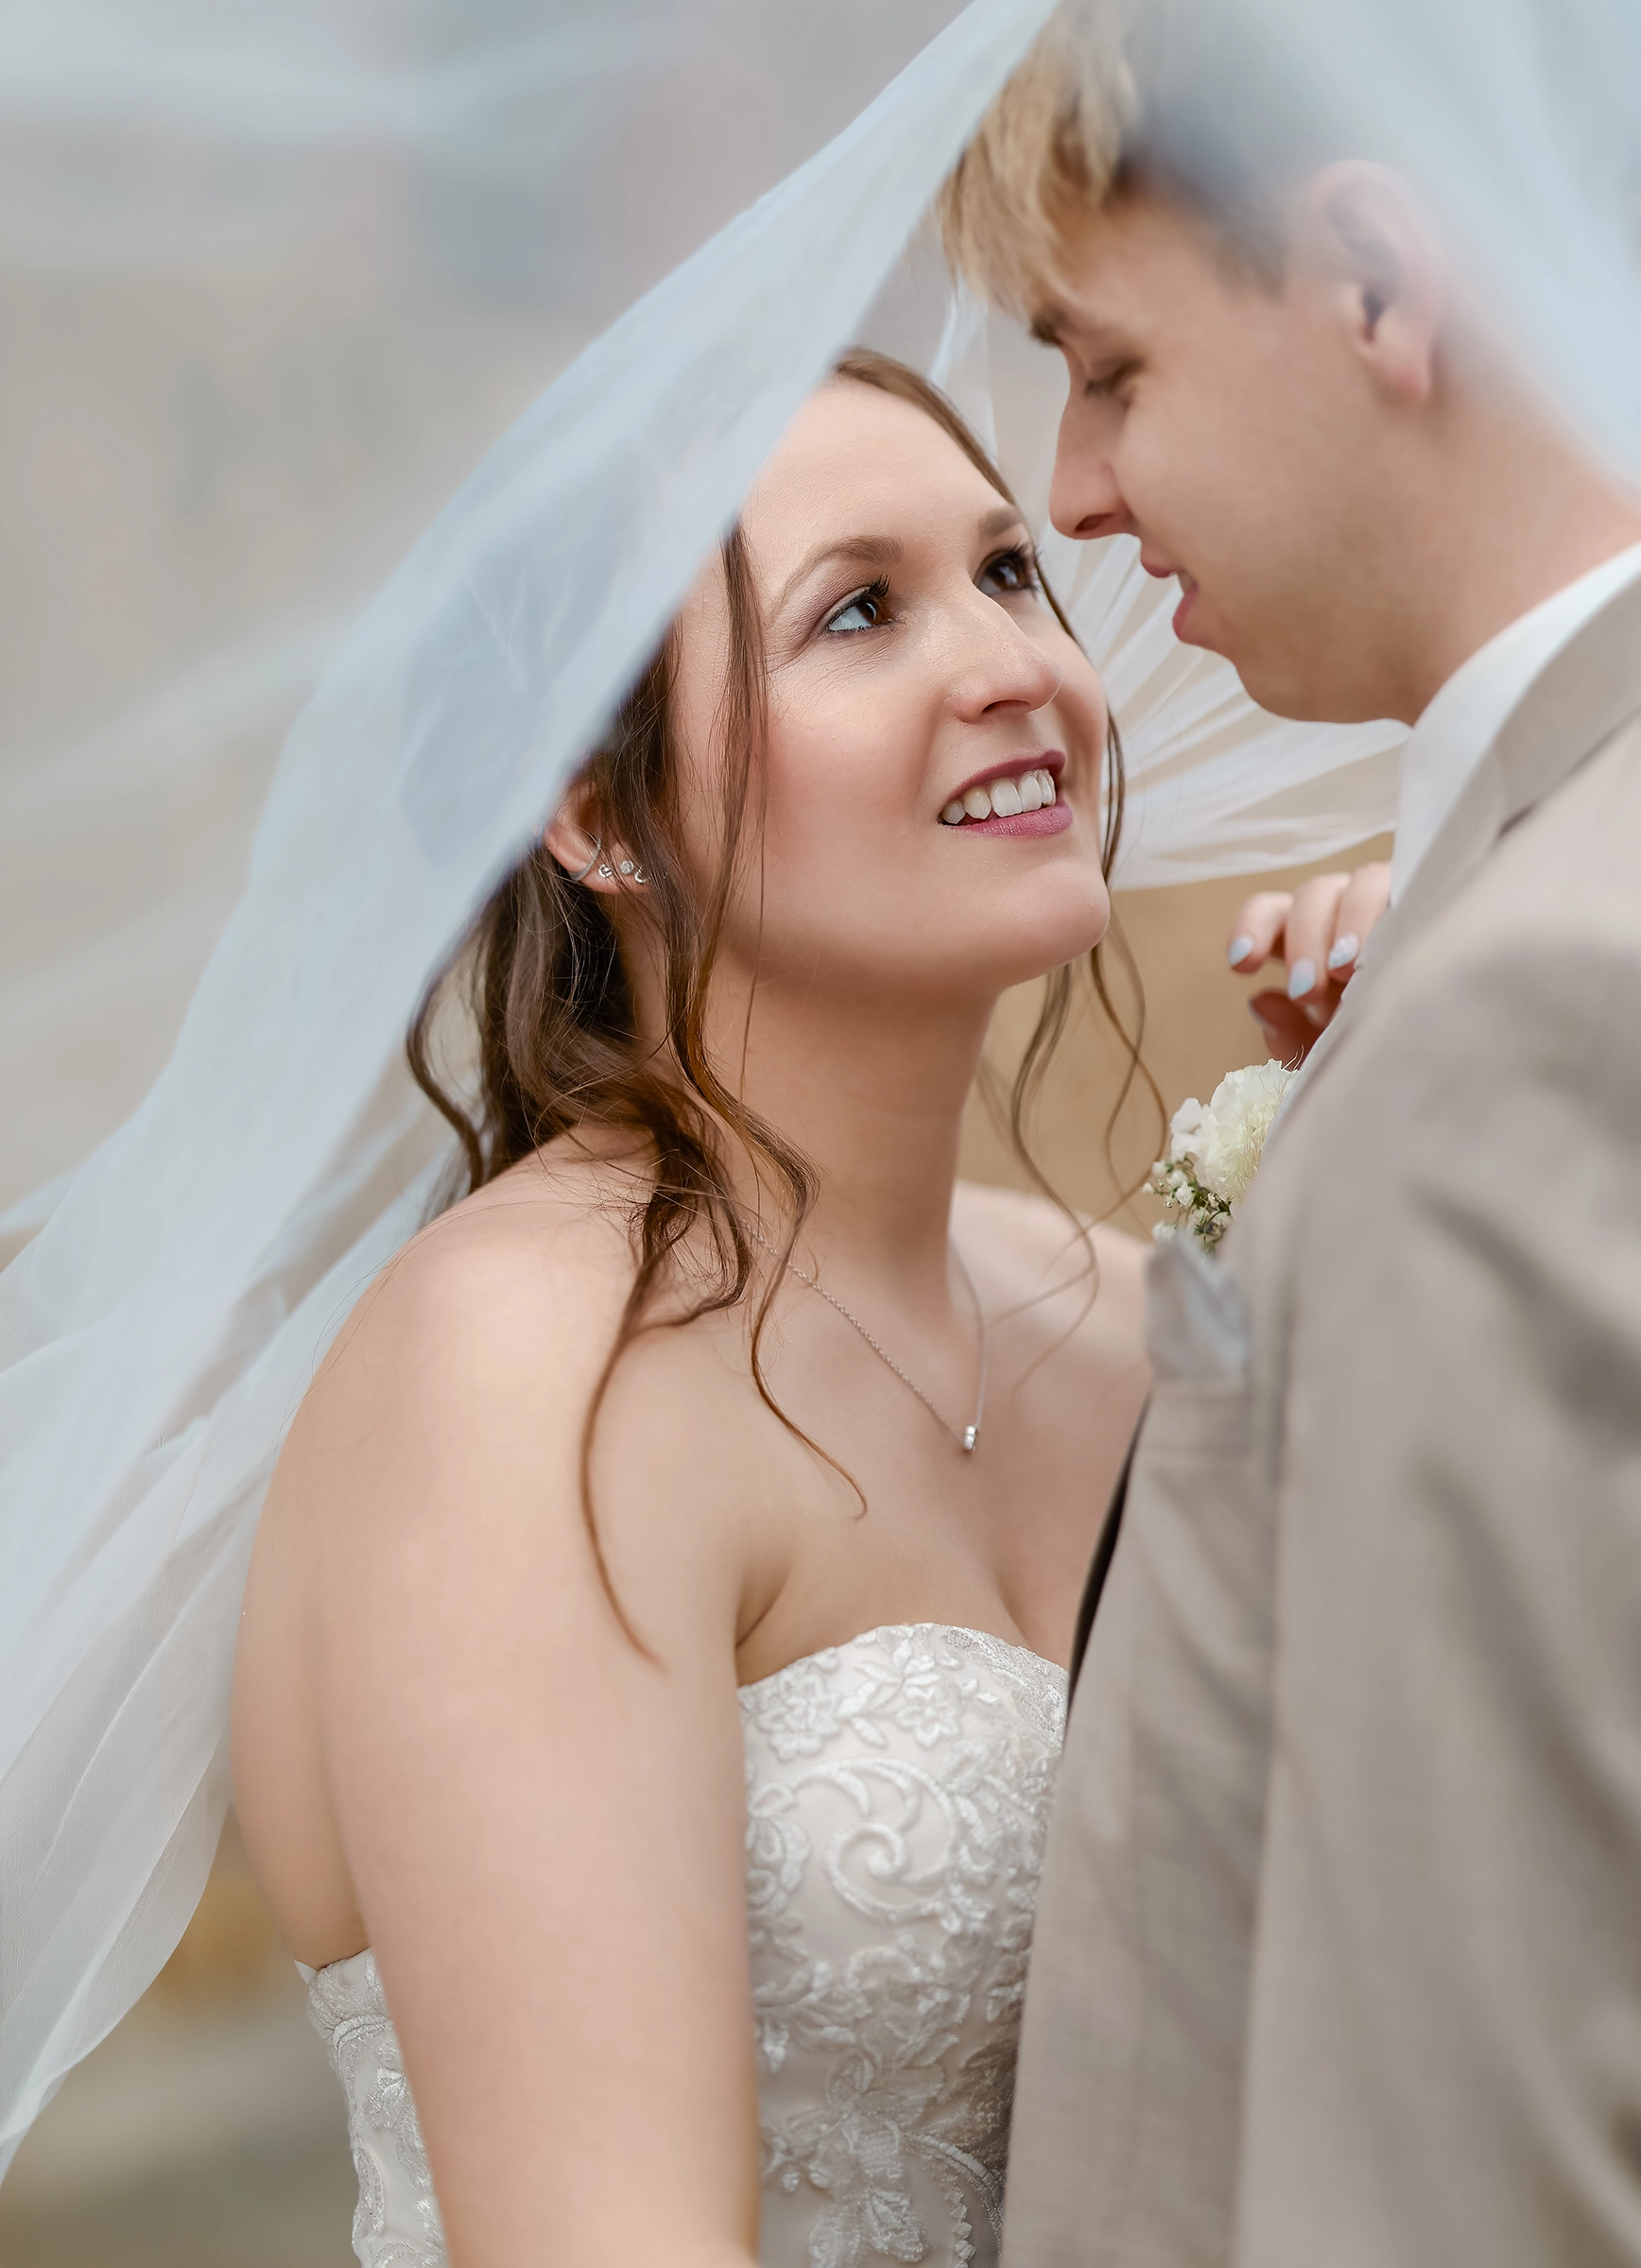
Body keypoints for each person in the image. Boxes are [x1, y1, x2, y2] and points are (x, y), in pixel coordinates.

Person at [229, 346, 1384, 2268]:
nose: (1013, 664)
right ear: (597, 815)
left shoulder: (1142, 1320)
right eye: (860, 611)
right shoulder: (519, 1371)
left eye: (1011, 574)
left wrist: (1409, 1155)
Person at [941, 11, 1641, 2267]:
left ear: (1376, 285)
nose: (1081, 494)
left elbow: (1553, 2154)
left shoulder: (1564, 1011)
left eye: (1109, 367)